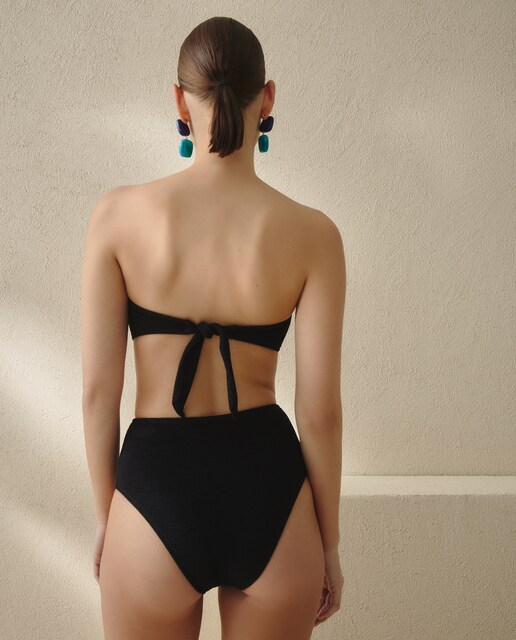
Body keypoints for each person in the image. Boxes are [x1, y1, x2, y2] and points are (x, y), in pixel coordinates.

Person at [81, 16, 345, 640]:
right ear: (267, 98)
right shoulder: (314, 235)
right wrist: (329, 544)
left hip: (155, 487)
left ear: (179, 100)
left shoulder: (117, 217)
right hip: (270, 492)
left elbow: (96, 393)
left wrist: (108, 517)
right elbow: (319, 413)